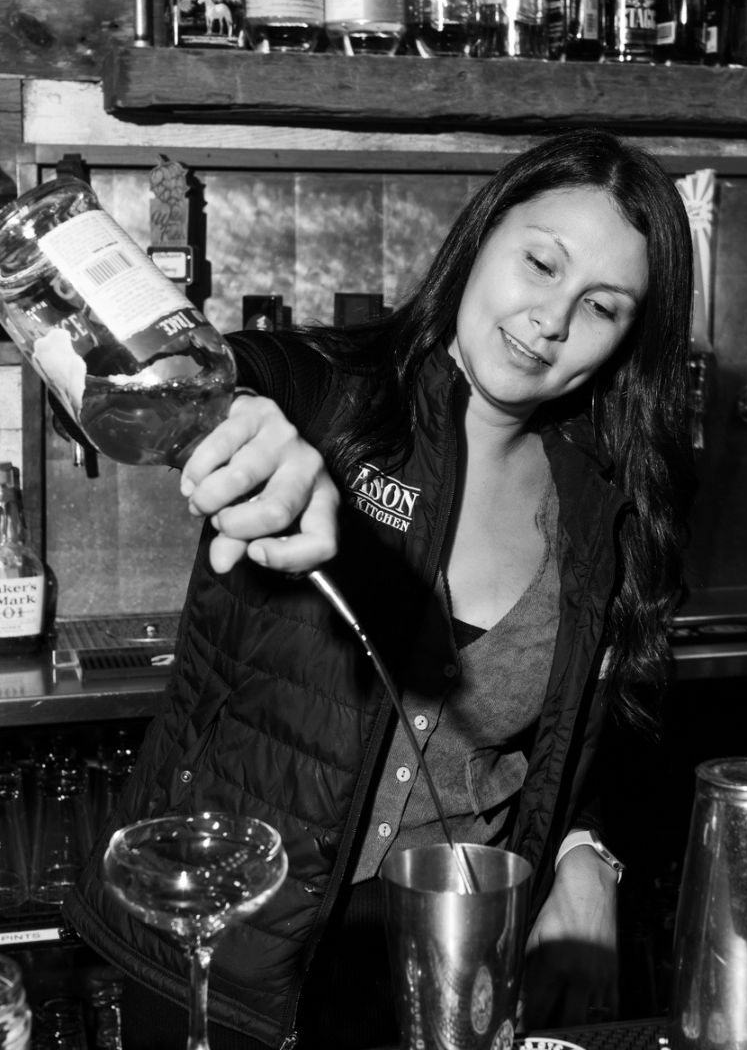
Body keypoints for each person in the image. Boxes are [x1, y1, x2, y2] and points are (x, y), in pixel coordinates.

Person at [64, 127, 695, 1048]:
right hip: (231, 967)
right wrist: (224, 416)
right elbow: (146, 376)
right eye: (540, 263)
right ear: (481, 236)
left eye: (600, 305)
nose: (552, 320)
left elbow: (580, 749)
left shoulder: (607, 505)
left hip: (460, 970)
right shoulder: (323, 393)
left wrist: (584, 857)